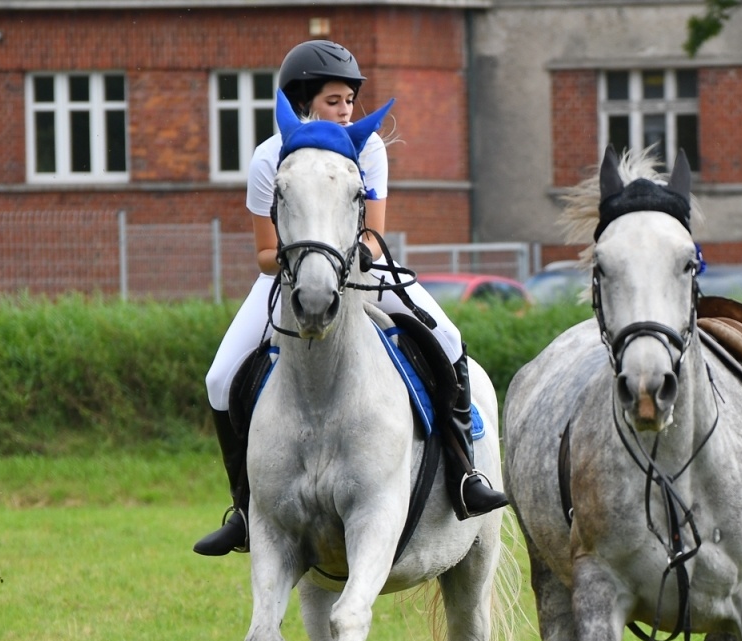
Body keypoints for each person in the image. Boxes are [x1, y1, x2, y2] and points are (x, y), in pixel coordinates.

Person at [194, 39, 508, 557]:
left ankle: (463, 474)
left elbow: (371, 236)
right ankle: (244, 509)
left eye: (348, 101)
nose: (345, 112)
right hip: (291, 276)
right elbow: (264, 253)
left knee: (449, 338)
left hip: (362, 267)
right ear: (303, 104)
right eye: (333, 101)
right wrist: (306, 261)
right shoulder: (269, 158)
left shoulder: (369, 149)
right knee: (219, 376)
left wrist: (335, 261)